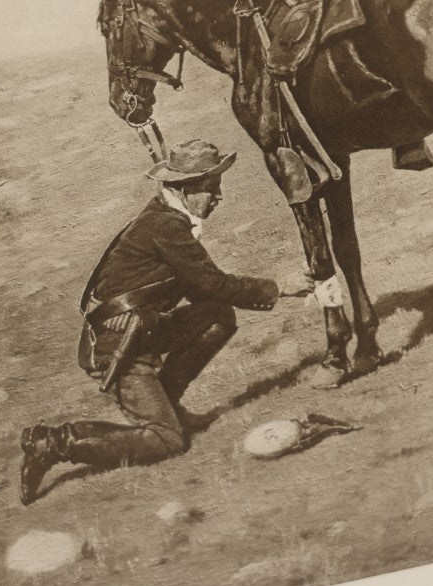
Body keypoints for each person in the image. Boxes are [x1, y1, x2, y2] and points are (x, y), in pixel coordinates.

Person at [19, 138, 313, 504]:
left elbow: (205, 291)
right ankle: (52, 443)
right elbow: (212, 282)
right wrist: (279, 287)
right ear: (187, 190)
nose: (218, 199)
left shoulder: (163, 218)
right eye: (211, 191)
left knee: (216, 315)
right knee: (166, 439)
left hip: (142, 332)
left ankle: (169, 405)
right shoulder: (167, 228)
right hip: (120, 353)